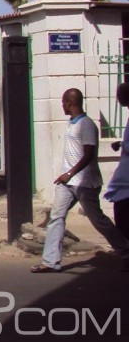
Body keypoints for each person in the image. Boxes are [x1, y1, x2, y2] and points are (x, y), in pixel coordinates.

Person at [32, 87, 129, 273]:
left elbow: (89, 154)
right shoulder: (72, 123)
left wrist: (70, 173)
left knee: (98, 220)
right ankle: (50, 261)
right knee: (56, 217)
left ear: (69, 103)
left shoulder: (87, 125)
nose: (62, 106)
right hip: (67, 183)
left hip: (86, 182)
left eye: (63, 102)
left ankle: (126, 251)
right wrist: (67, 176)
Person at [103, 81, 129, 271]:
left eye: (120, 95)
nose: (118, 99)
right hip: (124, 179)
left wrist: (122, 145)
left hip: (126, 180)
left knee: (123, 218)